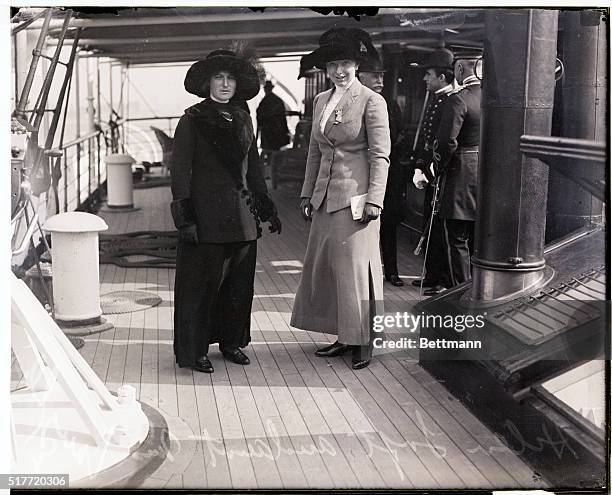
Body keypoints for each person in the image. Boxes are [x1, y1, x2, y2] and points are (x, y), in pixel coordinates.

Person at [171, 49, 282, 374]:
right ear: (207, 83)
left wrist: (265, 208)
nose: (224, 84)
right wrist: (186, 218)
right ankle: (196, 349)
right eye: (218, 78)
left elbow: (254, 168)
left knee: (238, 286)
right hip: (206, 219)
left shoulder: (244, 117)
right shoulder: (191, 119)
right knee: (203, 286)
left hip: (242, 217)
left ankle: (232, 342)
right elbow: (180, 173)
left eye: (229, 78)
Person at [291, 28, 391, 370]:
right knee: (332, 270)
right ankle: (343, 334)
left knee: (357, 269)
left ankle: (364, 340)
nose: (340, 71)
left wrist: (375, 198)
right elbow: (315, 153)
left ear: (357, 64)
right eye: (334, 64)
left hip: (357, 199)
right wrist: (307, 193)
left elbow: (381, 156)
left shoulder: (371, 100)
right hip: (324, 199)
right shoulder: (321, 100)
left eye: (346, 63)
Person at [432, 54, 481, 287]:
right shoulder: (492, 98)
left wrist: (436, 169)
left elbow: (446, 143)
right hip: (487, 176)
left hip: (461, 175)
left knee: (457, 238)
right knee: (478, 239)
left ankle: (460, 293)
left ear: (460, 68)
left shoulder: (458, 100)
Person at [410, 48, 456, 296]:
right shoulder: (437, 99)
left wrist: (430, 171)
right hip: (430, 172)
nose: (425, 79)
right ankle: (432, 274)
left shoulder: (450, 101)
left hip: (442, 175)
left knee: (439, 227)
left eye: (428, 74)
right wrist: (420, 166)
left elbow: (446, 143)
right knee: (429, 221)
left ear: (442, 77)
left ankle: (442, 278)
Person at [357, 56, 405, 287]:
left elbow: (398, 136)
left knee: (389, 223)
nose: (380, 80)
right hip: (361, 174)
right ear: (361, 77)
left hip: (388, 174)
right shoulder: (355, 102)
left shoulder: (390, 103)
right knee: (362, 224)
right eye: (375, 75)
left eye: (382, 75)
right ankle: (366, 272)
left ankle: (392, 272)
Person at [256, 80, 290, 151]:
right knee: (275, 150)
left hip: (268, 131)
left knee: (268, 150)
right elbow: (282, 118)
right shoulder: (277, 100)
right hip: (276, 131)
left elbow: (259, 117)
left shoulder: (264, 102)